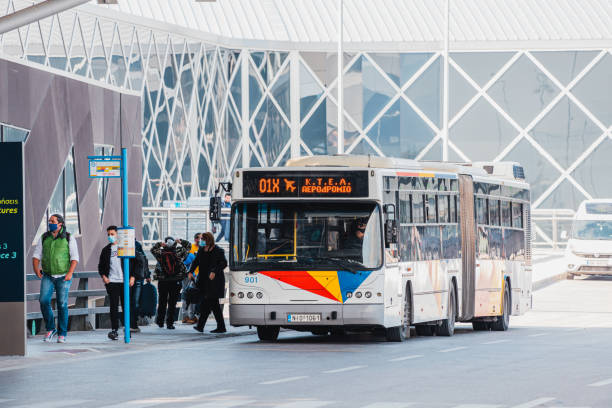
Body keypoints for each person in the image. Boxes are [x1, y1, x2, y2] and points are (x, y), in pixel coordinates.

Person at [32, 214, 79, 343]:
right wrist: (36, 269)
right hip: (48, 275)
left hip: (64, 276)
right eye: (49, 221)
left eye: (52, 221)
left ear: (60, 224)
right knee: (43, 301)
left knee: (62, 304)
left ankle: (62, 333)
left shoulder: (68, 237)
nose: (50, 223)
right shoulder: (44, 237)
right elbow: (36, 256)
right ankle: (50, 328)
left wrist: (70, 273)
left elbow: (74, 258)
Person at [98, 226, 137, 340]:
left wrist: (133, 277)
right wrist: (104, 277)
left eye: (112, 234)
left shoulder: (125, 247)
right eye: (108, 234)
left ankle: (127, 328)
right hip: (112, 281)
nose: (110, 236)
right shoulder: (106, 250)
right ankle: (114, 330)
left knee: (126, 306)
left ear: (117, 234)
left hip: (125, 282)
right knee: (113, 306)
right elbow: (101, 266)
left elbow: (137, 263)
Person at [190, 232, 228, 333]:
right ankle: (217, 327)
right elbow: (196, 262)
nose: (201, 241)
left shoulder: (218, 251)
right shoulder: (201, 250)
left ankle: (203, 326)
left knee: (209, 303)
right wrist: (190, 271)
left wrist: (214, 271)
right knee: (211, 305)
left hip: (214, 281)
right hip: (204, 281)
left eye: (203, 239)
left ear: (208, 240)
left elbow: (224, 263)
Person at [151, 236, 190, 329]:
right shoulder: (179, 252)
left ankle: (160, 322)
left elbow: (152, 249)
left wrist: (159, 244)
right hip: (175, 280)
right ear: (174, 243)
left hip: (163, 280)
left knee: (162, 302)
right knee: (172, 303)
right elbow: (189, 246)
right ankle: (170, 323)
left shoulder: (160, 252)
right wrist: (180, 241)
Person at [181, 233, 203, 324]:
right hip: (192, 276)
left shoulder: (202, 248)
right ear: (195, 239)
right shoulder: (191, 249)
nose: (201, 240)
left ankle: (188, 315)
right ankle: (189, 316)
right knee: (190, 295)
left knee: (189, 295)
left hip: (197, 275)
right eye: (200, 238)